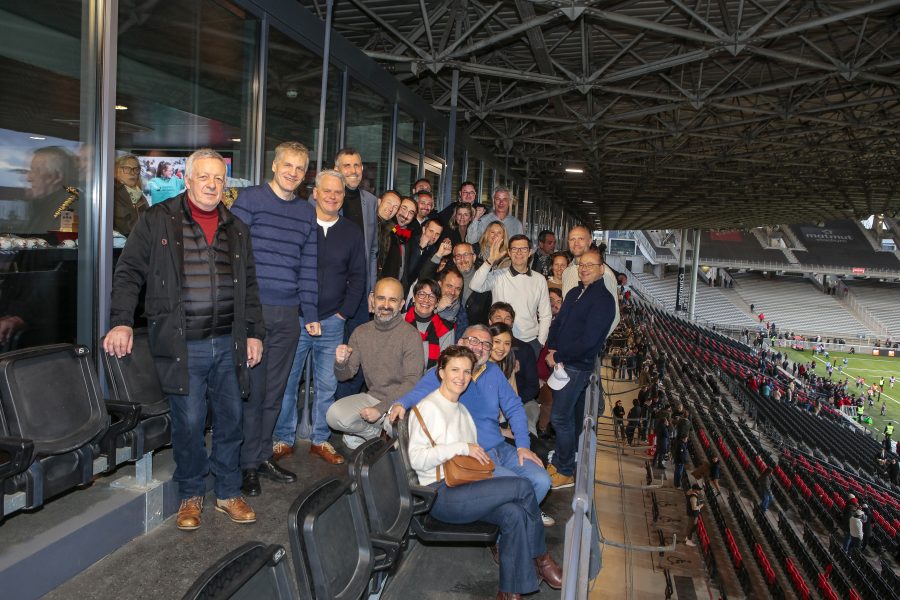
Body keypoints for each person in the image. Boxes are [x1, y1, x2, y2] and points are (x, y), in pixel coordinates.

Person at [104, 148, 263, 531]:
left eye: (218, 178)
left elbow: (250, 287)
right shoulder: (157, 219)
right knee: (189, 422)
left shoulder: (237, 229)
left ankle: (227, 491)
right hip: (182, 345)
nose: (211, 184)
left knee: (231, 420)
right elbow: (128, 272)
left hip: (229, 343)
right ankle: (191, 492)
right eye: (203, 177)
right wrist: (121, 321)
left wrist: (254, 333)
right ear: (187, 179)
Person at [406, 345, 562, 598]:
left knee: (513, 514)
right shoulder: (428, 408)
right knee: (523, 486)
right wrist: (461, 447)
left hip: (464, 488)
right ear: (441, 372)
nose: (461, 377)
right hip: (439, 494)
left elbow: (472, 458)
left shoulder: (461, 411)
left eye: (466, 371)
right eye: (454, 370)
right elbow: (417, 459)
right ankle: (541, 558)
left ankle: (510, 592)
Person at [393, 325, 554, 525]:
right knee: (518, 486)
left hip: (500, 447)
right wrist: (400, 404)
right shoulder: (449, 373)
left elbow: (514, 406)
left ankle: (515, 528)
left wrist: (522, 445)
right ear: (460, 342)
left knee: (542, 480)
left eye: (486, 344)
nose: (479, 347)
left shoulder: (493, 371)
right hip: (472, 456)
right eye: (474, 341)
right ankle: (513, 527)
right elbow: (418, 393)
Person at [231, 141, 318, 496]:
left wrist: (310, 311)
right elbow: (232, 257)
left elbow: (308, 265)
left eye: (300, 168)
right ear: (274, 165)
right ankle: (244, 464)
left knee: (275, 392)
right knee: (251, 391)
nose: (293, 173)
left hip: (288, 314)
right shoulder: (249, 200)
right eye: (288, 165)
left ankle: (261, 456)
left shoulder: (306, 213)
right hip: (253, 311)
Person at [273, 169, 366, 466]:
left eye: (338, 192)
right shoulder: (299, 225)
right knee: (288, 381)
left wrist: (343, 313)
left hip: (332, 322)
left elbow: (359, 277)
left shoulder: (352, 232)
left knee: (327, 385)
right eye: (327, 190)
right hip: (296, 318)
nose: (332, 196)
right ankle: (282, 438)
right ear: (314, 193)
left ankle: (320, 440)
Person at [544, 248, 617, 489]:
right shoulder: (575, 292)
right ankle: (563, 460)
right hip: (562, 362)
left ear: (602, 269)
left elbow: (589, 341)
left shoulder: (604, 300)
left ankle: (565, 470)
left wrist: (559, 355)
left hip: (576, 366)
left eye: (590, 265)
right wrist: (552, 348)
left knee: (560, 417)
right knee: (567, 417)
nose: (584, 269)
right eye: (581, 265)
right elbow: (558, 323)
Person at [326, 277, 424, 448]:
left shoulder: (411, 335)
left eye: (392, 300)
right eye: (381, 298)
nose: (385, 305)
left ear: (401, 304)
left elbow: (413, 382)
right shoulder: (361, 332)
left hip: (402, 402)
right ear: (372, 300)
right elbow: (345, 376)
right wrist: (341, 363)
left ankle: (385, 436)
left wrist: (380, 409)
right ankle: (374, 434)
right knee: (334, 415)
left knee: (397, 437)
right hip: (373, 398)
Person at [333, 147, 379, 399]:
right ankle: (328, 404)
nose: (353, 170)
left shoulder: (370, 201)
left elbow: (372, 250)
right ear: (336, 169)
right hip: (332, 291)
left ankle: (346, 403)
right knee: (333, 350)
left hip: (360, 292)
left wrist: (372, 290)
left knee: (357, 349)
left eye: (357, 165)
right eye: (347, 165)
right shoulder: (324, 200)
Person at [471, 234, 551, 359]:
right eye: (514, 249)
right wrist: (490, 260)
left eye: (523, 248)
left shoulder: (539, 279)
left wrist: (540, 342)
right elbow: (475, 285)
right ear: (509, 252)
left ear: (530, 252)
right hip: (500, 340)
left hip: (530, 341)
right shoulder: (498, 275)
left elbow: (545, 314)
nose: (519, 252)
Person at [23, 146, 77, 234]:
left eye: (36, 171)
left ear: (56, 177)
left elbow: (64, 241)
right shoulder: (42, 207)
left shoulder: (68, 211)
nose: (28, 178)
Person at [405, 279, 455, 369]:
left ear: (437, 303)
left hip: (430, 377)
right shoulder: (399, 321)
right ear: (414, 298)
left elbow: (443, 366)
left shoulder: (446, 329)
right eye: (421, 294)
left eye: (432, 296)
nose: (426, 300)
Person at [112, 154, 148, 236]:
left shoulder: (139, 195)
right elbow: (125, 227)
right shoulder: (113, 194)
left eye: (136, 169)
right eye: (127, 169)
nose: (132, 173)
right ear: (116, 170)